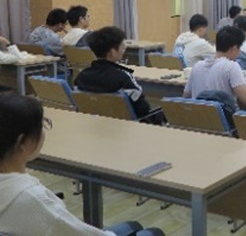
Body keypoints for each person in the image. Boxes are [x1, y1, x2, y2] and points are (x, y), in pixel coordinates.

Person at [0, 95, 165, 236]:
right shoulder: (34, 201)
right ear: (23, 142)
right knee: (153, 232)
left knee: (133, 226)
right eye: (42, 125)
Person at [75, 26, 165, 124]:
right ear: (112, 52)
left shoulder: (81, 76)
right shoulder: (123, 78)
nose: (124, 49)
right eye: (122, 46)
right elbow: (143, 109)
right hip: (128, 127)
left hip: (97, 124)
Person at [183, 26, 246, 108]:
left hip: (199, 115)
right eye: (239, 49)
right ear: (234, 48)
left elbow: (186, 96)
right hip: (222, 116)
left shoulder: (197, 66)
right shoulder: (231, 67)